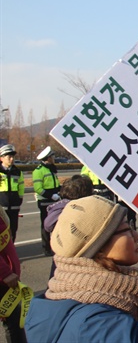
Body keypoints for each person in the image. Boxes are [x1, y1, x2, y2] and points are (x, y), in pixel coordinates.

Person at [25, 195, 138, 342]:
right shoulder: (96, 324)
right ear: (99, 245)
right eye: (127, 230)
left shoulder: (61, 296)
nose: (136, 236)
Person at [0, 207, 26, 343]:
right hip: (3, 279)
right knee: (13, 324)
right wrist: (4, 272)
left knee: (15, 323)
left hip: (7, 277)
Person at [32, 146, 61, 256]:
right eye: (52, 156)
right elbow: (38, 188)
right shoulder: (38, 171)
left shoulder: (52, 168)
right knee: (45, 225)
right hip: (45, 201)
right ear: (47, 158)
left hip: (55, 200)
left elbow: (55, 183)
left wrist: (59, 191)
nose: (53, 157)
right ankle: (46, 247)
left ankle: (55, 246)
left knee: (55, 225)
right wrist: (51, 196)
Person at [0, 145, 24, 241]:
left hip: (14, 207)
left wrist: (19, 199)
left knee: (13, 230)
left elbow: (21, 187)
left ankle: (11, 251)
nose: (11, 159)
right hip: (1, 209)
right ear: (1, 158)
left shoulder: (17, 172)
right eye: (9, 157)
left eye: (13, 157)